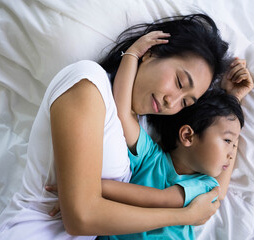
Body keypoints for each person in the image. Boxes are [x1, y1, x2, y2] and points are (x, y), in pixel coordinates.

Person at [0, 14, 252, 240]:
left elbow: (212, 184)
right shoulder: (88, 84)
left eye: (187, 101)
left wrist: (230, 103)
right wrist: (184, 215)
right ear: (151, 52)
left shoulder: (144, 133)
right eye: (179, 82)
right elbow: (80, 217)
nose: (173, 101)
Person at [96, 89, 244, 240]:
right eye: (227, 141)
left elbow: (160, 199)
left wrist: (97, 187)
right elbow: (123, 111)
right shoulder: (150, 155)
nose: (231, 154)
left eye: (234, 145)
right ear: (187, 136)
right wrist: (131, 63)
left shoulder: (204, 186)